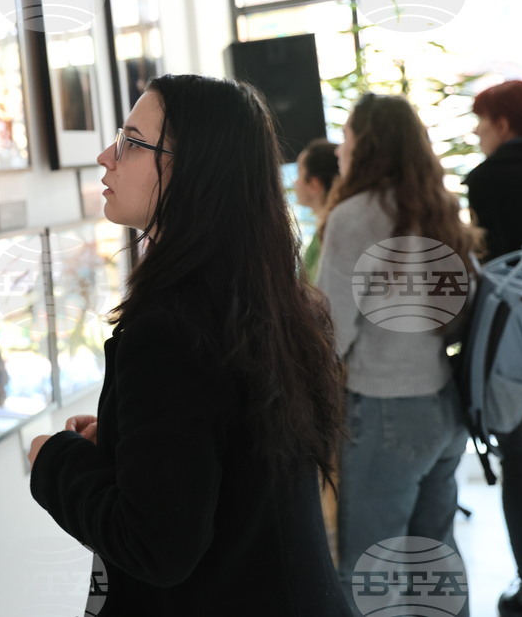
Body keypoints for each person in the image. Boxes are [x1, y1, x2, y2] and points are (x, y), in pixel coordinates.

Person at [27, 74, 350, 615]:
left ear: (194, 168)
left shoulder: (173, 326)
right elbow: (235, 454)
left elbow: (156, 546)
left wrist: (53, 460)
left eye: (132, 143)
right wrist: (129, 439)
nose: (106, 157)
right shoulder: (263, 296)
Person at [316, 93, 480, 615]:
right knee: (436, 560)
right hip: (444, 407)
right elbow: (463, 313)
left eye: (346, 137)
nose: (339, 149)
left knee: (369, 570)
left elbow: (331, 332)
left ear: (366, 144)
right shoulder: (437, 210)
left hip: (384, 409)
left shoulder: (354, 216)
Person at [464, 79, 522, 617]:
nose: (477, 133)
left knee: (516, 461)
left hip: (512, 337)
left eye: (481, 121)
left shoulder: (484, 180)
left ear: (501, 122)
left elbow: (489, 268)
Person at [294, 138, 340, 281]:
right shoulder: (325, 229)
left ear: (314, 184)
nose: (295, 182)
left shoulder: (333, 233)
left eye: (299, 172)